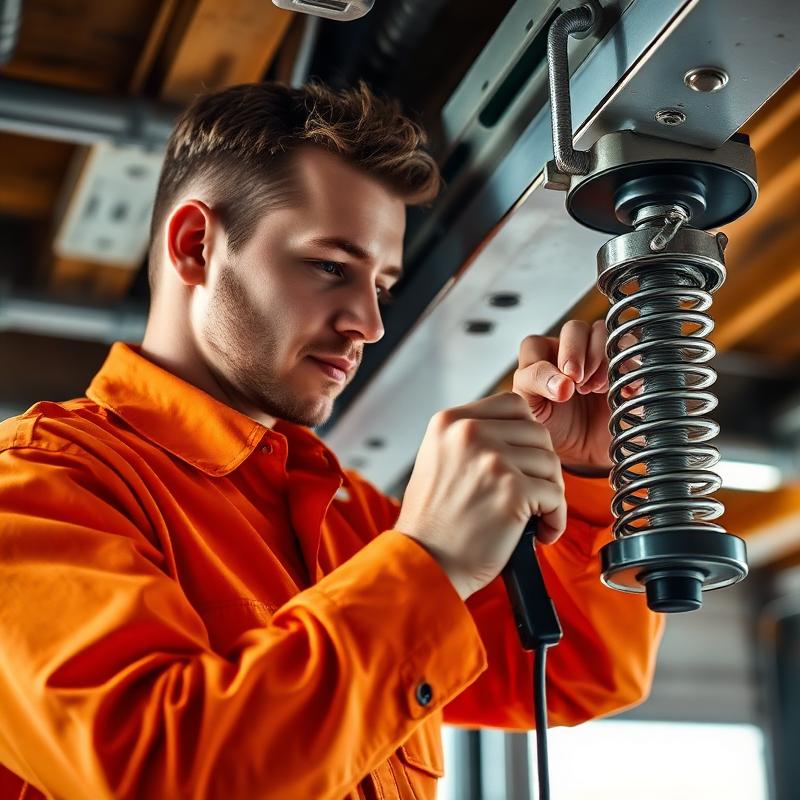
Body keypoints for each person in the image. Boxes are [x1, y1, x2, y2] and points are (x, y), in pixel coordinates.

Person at [0, 81, 663, 800]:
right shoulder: (37, 490)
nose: (370, 324)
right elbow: (161, 773)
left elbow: (581, 672)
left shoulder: (358, 520)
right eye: (329, 267)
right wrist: (431, 561)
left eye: (381, 284)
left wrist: (587, 479)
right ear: (196, 247)